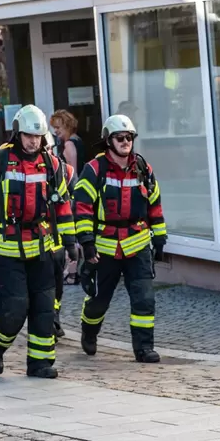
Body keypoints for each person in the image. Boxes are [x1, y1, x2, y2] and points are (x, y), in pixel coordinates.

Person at [0, 105, 77, 379]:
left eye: (38, 136)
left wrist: (70, 240)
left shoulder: (53, 165)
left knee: (44, 306)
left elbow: (63, 206)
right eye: (29, 135)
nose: (33, 141)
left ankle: (40, 363)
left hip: (42, 247)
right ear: (17, 134)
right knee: (15, 305)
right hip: (5, 248)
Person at [74, 115, 166, 363]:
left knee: (144, 299)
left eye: (129, 137)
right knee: (98, 301)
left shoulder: (143, 168)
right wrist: (86, 241)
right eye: (120, 138)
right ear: (108, 141)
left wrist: (159, 238)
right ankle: (89, 332)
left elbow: (154, 205)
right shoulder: (94, 169)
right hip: (105, 247)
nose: (126, 142)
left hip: (137, 244)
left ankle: (144, 348)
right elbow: (82, 206)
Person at [44, 132, 78, 340]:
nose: (46, 154)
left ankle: (53, 316)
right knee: (43, 284)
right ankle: (48, 320)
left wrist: (72, 241)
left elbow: (76, 203)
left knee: (56, 283)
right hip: (34, 238)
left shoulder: (65, 171)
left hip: (58, 237)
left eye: (48, 149)